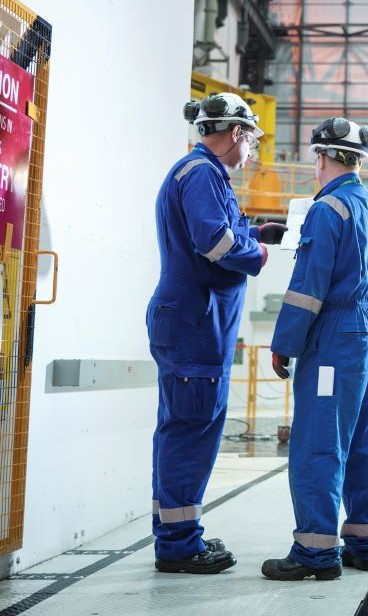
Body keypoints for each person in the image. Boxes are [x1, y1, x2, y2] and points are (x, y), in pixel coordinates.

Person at [146, 93, 286, 574]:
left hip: (193, 322)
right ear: (234, 134)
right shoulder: (204, 173)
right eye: (250, 140)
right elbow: (216, 242)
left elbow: (225, 227)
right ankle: (180, 546)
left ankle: (176, 535)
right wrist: (258, 256)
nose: (251, 152)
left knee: (183, 429)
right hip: (195, 323)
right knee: (190, 432)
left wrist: (259, 230)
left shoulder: (199, 172)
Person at [263, 117, 368, 581]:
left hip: (336, 336)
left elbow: (307, 289)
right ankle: (365, 543)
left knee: (320, 441)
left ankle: (315, 551)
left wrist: (284, 344)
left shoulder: (328, 210)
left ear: (321, 158)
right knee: (364, 438)